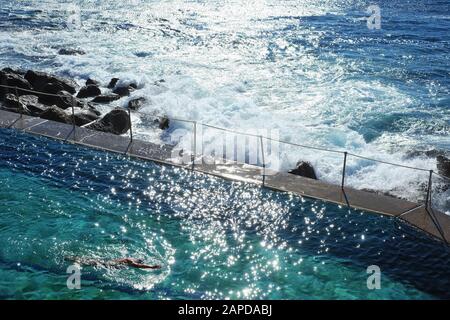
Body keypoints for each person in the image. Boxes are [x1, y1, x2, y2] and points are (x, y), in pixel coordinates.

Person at [65, 256, 161, 269]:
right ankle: (76, 261)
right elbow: (139, 266)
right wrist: (152, 267)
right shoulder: (129, 261)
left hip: (107, 262)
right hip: (107, 264)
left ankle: (73, 259)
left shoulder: (127, 258)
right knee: (91, 263)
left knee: (90, 261)